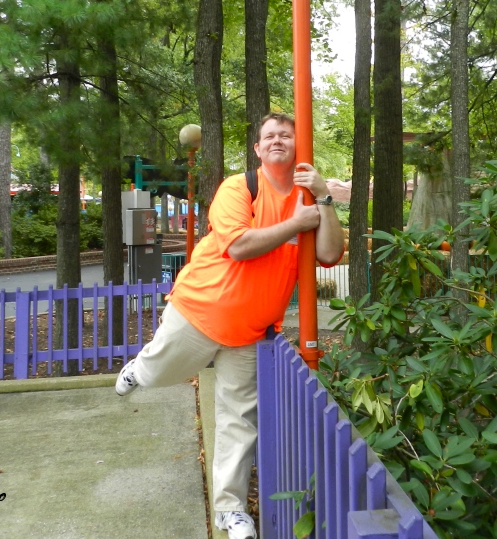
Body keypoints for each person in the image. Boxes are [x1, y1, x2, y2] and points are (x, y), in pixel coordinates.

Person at [115, 112, 344, 539]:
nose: (278, 140)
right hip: (200, 311)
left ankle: (230, 510)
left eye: (286, 135)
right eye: (269, 136)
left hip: (251, 331)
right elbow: (238, 246)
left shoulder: (309, 197)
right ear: (258, 149)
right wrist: (296, 224)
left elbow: (329, 254)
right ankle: (138, 369)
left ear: (299, 145)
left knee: (238, 422)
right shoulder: (240, 188)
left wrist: (324, 199)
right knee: (158, 373)